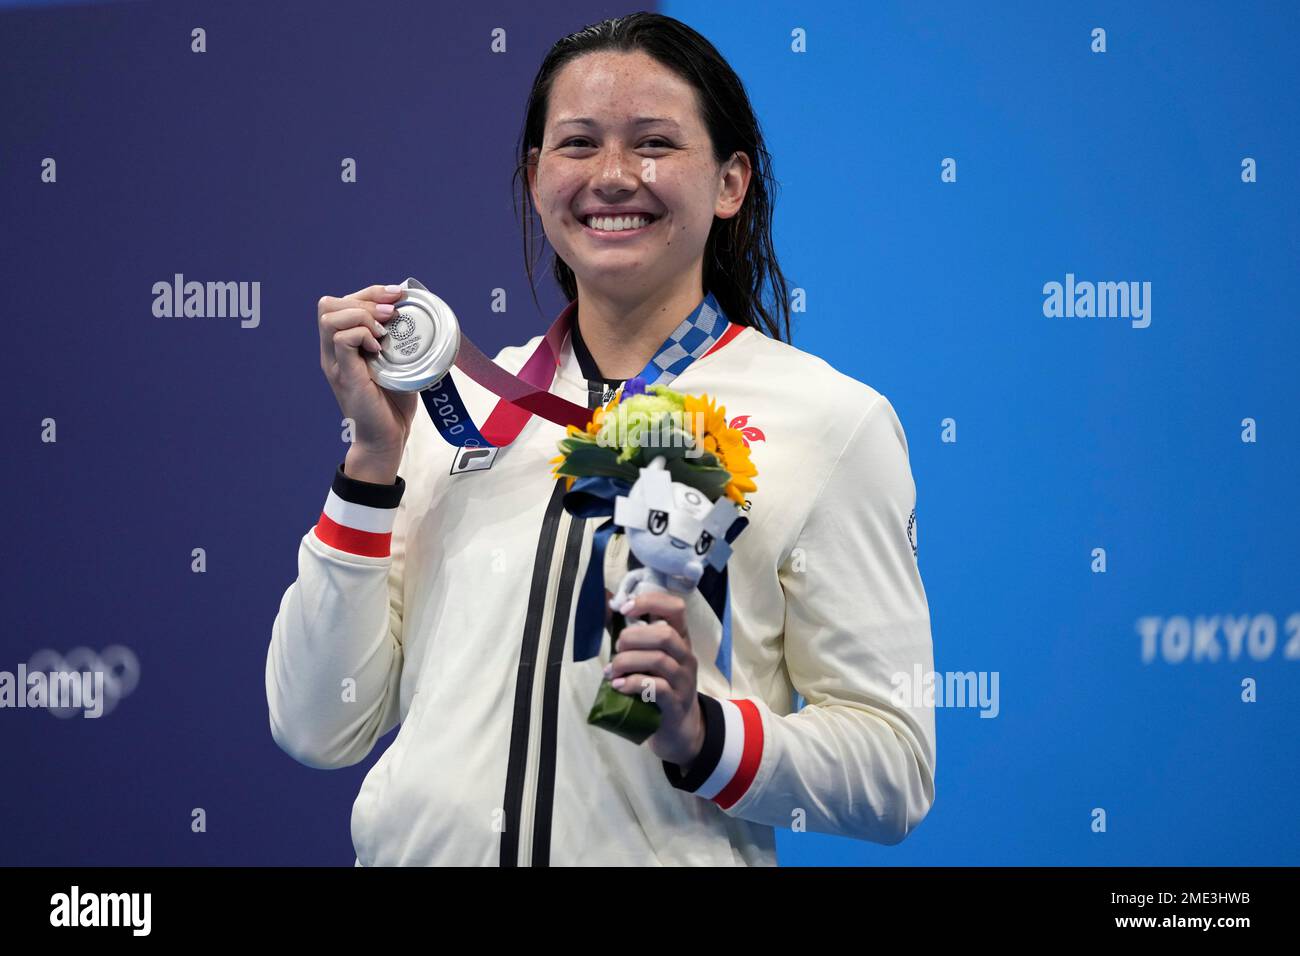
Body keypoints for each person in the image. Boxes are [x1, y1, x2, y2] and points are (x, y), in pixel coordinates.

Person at [266, 12, 936, 866]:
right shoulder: (454, 410)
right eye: (578, 145)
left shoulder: (829, 422)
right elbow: (315, 724)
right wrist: (370, 464)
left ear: (731, 183)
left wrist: (706, 737)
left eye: (654, 142)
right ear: (536, 175)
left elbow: (896, 768)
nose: (614, 176)